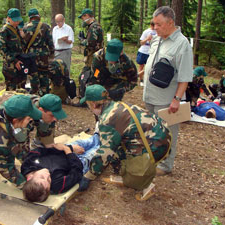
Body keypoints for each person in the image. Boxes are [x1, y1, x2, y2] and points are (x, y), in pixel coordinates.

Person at [81, 85, 171, 201]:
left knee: (133, 179)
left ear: (93, 104)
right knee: (117, 149)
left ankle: (144, 182)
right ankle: (130, 169)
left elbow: (105, 152)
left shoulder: (108, 119)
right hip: (163, 137)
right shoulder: (118, 105)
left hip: (155, 148)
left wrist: (89, 176)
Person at [143, 6, 193, 176]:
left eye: (158, 24)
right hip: (150, 95)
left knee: (168, 132)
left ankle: (165, 165)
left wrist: (177, 99)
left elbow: (184, 76)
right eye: (153, 24)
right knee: (151, 129)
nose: (154, 28)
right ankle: (154, 157)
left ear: (170, 22)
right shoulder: (156, 39)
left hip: (166, 99)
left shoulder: (182, 44)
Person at [21, 133, 101, 202]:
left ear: (30, 177)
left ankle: (100, 131)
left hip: (63, 149)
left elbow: (40, 150)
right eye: (49, 180)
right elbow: (77, 173)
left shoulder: (28, 165)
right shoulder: (57, 186)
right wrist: (68, 152)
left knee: (93, 140)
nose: (47, 175)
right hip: (80, 160)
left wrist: (69, 148)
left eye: (42, 177)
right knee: (100, 147)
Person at [22, 8, 55, 95]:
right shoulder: (46, 26)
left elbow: (23, 43)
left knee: (33, 74)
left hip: (31, 55)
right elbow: (50, 42)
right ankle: (45, 93)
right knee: (44, 74)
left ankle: (35, 93)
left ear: (30, 18)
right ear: (38, 16)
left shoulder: (26, 27)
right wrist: (51, 53)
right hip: (43, 55)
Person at [0, 8, 25, 91]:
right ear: (8, 18)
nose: (17, 22)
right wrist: (14, 60)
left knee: (21, 88)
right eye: (15, 20)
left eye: (18, 20)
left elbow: (20, 45)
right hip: (10, 65)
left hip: (20, 62)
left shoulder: (17, 29)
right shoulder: (5, 30)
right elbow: (2, 49)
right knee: (11, 90)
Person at [137, 21, 157, 85]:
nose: (153, 27)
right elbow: (141, 43)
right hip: (143, 51)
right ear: (150, 25)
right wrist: (147, 39)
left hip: (152, 52)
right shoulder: (146, 32)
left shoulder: (157, 32)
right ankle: (141, 80)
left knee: (150, 67)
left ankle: (148, 80)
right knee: (141, 66)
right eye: (152, 25)